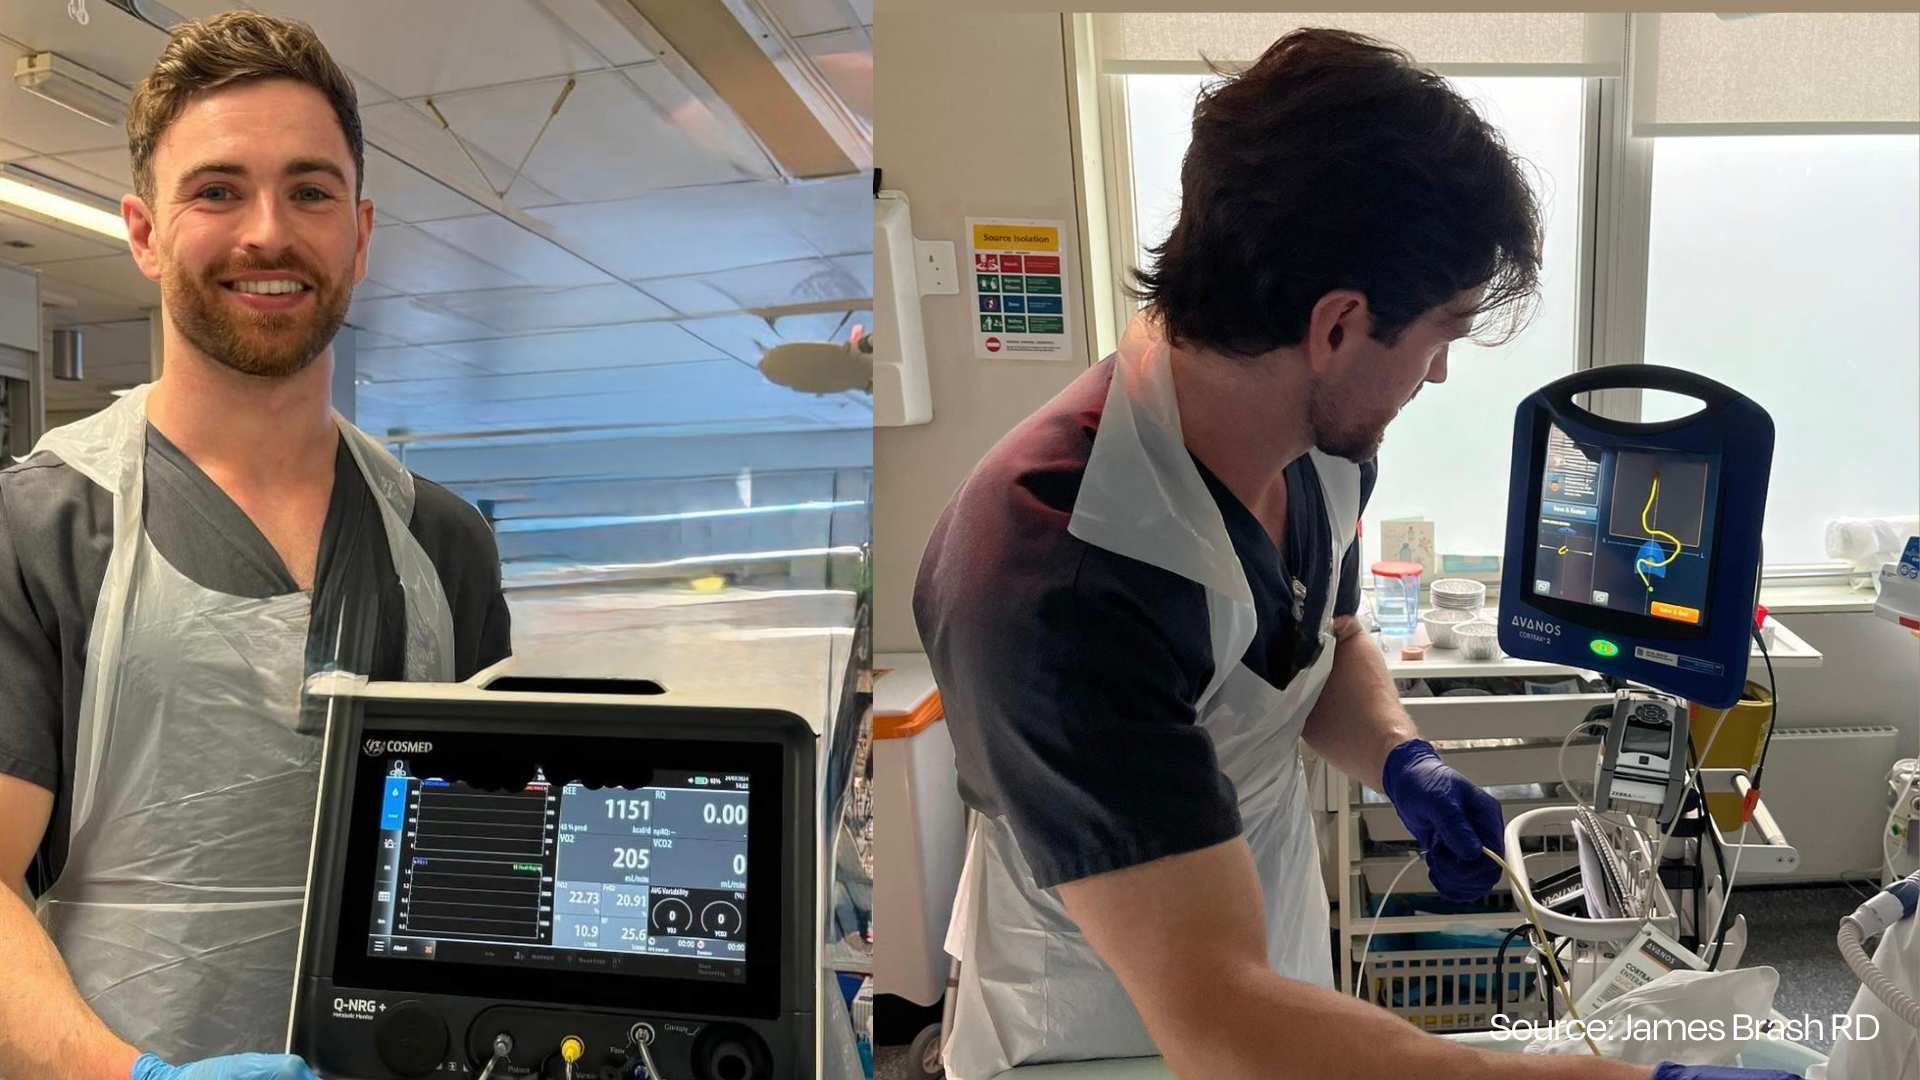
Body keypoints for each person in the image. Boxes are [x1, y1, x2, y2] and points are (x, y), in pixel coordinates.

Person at [913, 29, 1793, 1080]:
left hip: (1254, 944)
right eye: (1444, 334)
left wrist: (1397, 755)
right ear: (1338, 326)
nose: (1437, 378)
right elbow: (1221, 1020)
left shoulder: (1318, 448)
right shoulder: (1057, 574)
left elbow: (1316, 639)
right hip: (1099, 1022)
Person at [0, 12, 511, 1080]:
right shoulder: (43, 527)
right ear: (143, 232)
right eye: (218, 190)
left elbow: (481, 865)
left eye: (310, 192)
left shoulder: (446, 543)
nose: (268, 234)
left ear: (359, 233)